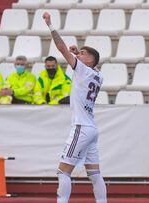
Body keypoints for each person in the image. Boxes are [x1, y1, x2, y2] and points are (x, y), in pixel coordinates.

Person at [43, 12, 107, 203]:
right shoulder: (98, 75)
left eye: (82, 54)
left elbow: (62, 48)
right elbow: (89, 65)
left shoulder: (83, 69)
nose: (78, 55)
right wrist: (78, 52)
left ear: (90, 59)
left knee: (63, 171)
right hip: (92, 128)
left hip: (81, 127)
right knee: (94, 173)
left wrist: (51, 26)